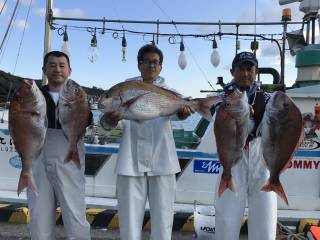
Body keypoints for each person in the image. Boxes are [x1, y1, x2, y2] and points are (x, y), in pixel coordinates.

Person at [101, 44, 193, 240]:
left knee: (163, 217)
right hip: (130, 161)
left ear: (161, 67)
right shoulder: (124, 89)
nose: (151, 66)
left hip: (162, 161)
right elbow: (107, 125)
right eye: (147, 62)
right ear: (139, 65)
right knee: (128, 217)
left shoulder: (171, 92)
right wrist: (109, 120)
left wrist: (185, 114)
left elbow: (178, 115)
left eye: (155, 62)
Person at [27, 51, 91, 240]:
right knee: (39, 215)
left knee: (75, 212)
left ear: (69, 70)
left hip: (69, 156)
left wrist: (81, 108)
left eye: (62, 65)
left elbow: (86, 122)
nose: (57, 69)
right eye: (52, 65)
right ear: (44, 69)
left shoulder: (79, 96)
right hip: (38, 157)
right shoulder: (34, 95)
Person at [214, 51, 277, 240]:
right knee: (226, 220)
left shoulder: (267, 98)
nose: (245, 73)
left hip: (261, 158)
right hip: (233, 160)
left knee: (265, 222)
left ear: (256, 72)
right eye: (241, 68)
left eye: (250, 68)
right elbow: (211, 111)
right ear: (233, 71)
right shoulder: (222, 98)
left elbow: (279, 121)